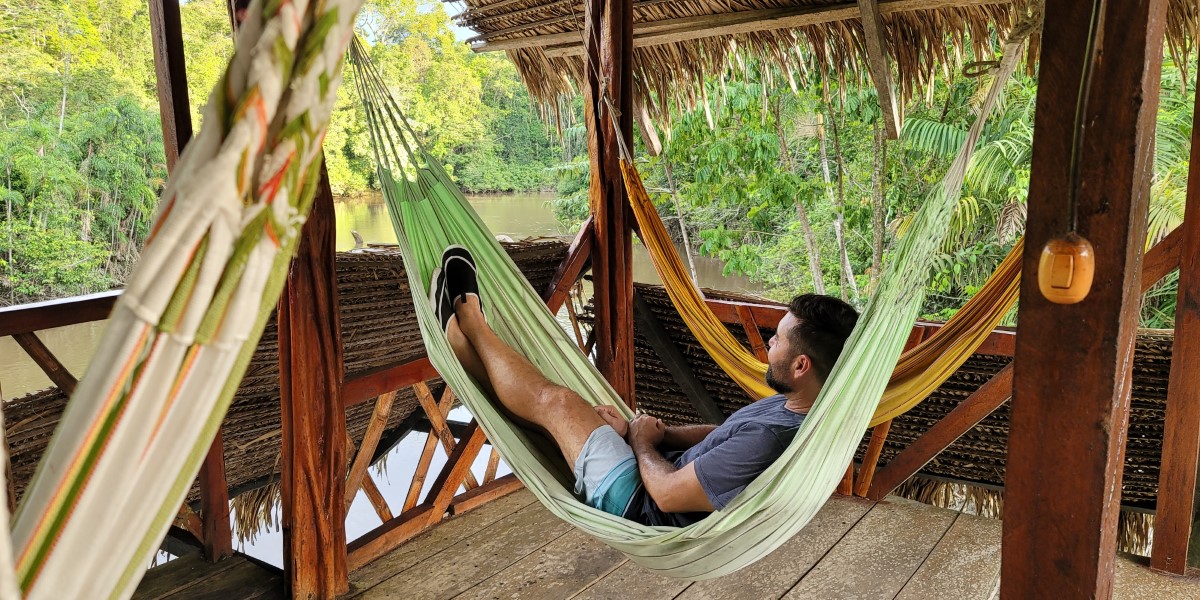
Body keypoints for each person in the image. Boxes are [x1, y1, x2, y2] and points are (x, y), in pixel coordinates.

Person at [430, 245, 858, 527]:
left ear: (801, 364)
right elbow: (721, 435)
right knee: (547, 419)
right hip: (654, 468)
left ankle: (472, 322)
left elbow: (670, 496)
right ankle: (464, 349)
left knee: (556, 402)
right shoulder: (801, 405)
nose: (769, 341)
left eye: (778, 339)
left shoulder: (770, 439)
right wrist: (658, 434)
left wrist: (638, 442)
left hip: (640, 505)